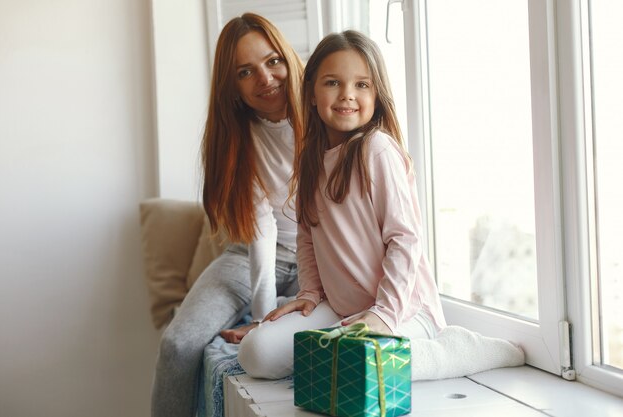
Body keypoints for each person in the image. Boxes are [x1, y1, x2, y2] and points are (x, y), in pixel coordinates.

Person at [237, 30, 447, 380]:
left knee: (351, 366)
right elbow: (307, 236)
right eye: (333, 83)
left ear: (377, 95)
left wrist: (384, 313)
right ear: (312, 94)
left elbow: (405, 240)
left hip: (405, 311)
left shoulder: (377, 150)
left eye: (362, 85)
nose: (348, 95)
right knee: (255, 352)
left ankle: (451, 349)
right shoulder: (312, 160)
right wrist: (309, 293)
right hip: (340, 309)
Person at [151, 13, 304, 417]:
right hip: (248, 255)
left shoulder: (323, 117)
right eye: (245, 72)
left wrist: (264, 326)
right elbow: (260, 230)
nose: (265, 78)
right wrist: (263, 315)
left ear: (287, 58)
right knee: (178, 343)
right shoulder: (239, 137)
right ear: (232, 86)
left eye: (272, 61)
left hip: (318, 260)